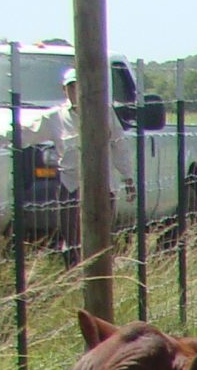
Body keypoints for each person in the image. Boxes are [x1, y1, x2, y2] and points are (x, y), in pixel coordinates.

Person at [26, 67, 130, 262]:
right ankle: (74, 274)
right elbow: (26, 133)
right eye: (71, 87)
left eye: (79, 86)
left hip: (102, 186)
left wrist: (128, 176)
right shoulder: (54, 117)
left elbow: (119, 144)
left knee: (102, 239)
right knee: (72, 238)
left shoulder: (104, 112)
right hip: (71, 186)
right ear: (64, 90)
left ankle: (101, 276)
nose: (76, 92)